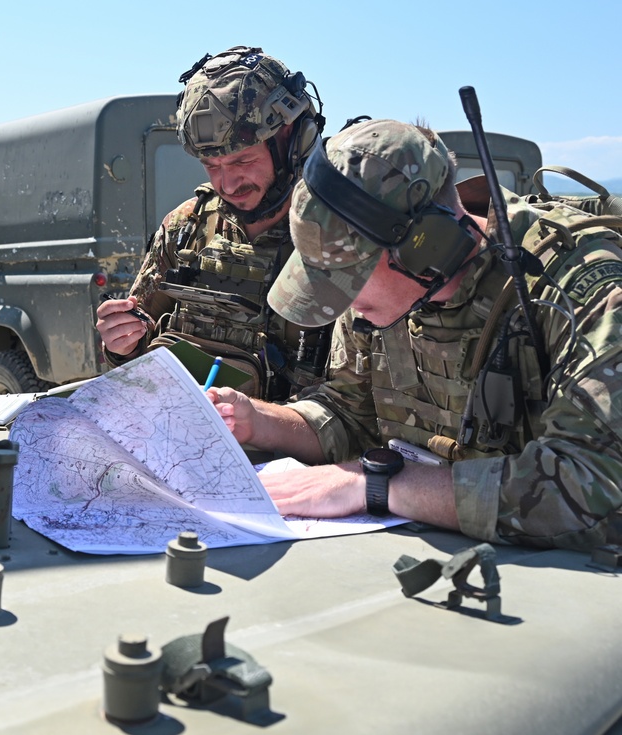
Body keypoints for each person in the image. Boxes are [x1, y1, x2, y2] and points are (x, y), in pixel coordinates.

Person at [209, 118, 622, 552]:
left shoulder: (582, 289)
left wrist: (379, 486)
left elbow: (597, 485)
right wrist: (260, 423)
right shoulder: (383, 301)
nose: (341, 303)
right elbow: (351, 413)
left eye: (348, 278)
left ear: (427, 245)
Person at [96, 46, 328, 401]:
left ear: (294, 140)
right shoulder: (185, 227)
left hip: (297, 452)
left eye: (243, 161)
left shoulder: (336, 236)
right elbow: (137, 345)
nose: (228, 184)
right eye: (212, 166)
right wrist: (120, 344)